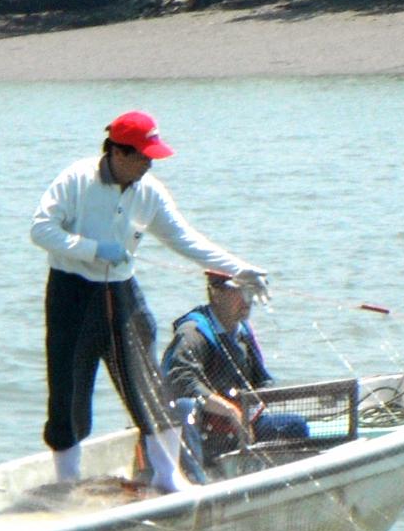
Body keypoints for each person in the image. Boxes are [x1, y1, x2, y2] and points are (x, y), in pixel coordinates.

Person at [30, 110, 270, 492]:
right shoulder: (76, 179)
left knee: (149, 382)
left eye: (152, 157)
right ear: (118, 153)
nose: (149, 164)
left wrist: (239, 270)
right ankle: (67, 484)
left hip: (123, 292)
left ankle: (167, 475)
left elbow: (186, 240)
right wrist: (92, 249)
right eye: (143, 156)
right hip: (71, 292)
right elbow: (41, 230)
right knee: (69, 389)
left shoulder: (150, 191)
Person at [162, 269, 309, 476]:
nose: (247, 300)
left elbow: (261, 382)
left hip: (240, 426)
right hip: (204, 431)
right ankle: (196, 481)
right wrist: (230, 411)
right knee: (186, 406)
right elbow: (180, 381)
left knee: (295, 427)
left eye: (250, 292)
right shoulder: (193, 332)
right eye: (239, 292)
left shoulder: (243, 331)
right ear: (216, 292)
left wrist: (258, 406)